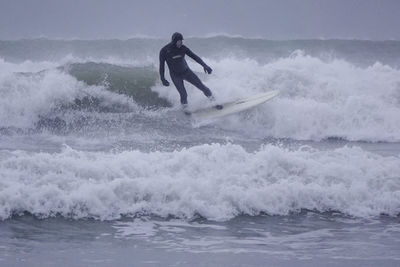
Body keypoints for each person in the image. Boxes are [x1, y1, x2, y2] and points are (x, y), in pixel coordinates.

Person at [159, 32, 216, 111]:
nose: (181, 42)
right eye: (179, 41)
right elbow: (161, 66)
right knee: (183, 94)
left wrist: (205, 65)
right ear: (174, 41)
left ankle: (214, 103)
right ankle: (186, 111)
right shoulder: (164, 51)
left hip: (186, 72)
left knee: (203, 88)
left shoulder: (183, 48)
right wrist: (162, 78)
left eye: (181, 41)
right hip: (175, 75)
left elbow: (195, 57)